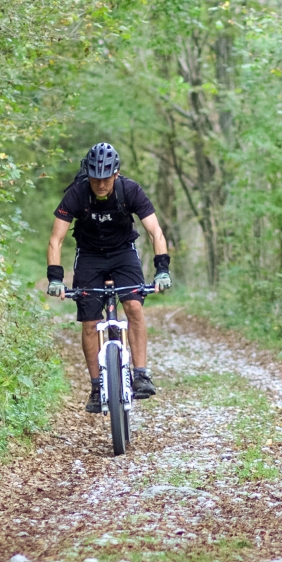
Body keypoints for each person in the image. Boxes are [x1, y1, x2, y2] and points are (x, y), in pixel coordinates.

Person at [45, 142, 173, 413]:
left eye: (105, 178)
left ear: (116, 174)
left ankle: (140, 374)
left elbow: (155, 231)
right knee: (90, 322)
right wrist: (55, 278)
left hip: (123, 252)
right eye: (95, 178)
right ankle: (96, 385)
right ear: (88, 175)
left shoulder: (130, 190)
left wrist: (162, 270)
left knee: (134, 306)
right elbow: (55, 240)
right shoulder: (77, 194)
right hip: (89, 255)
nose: (100, 184)